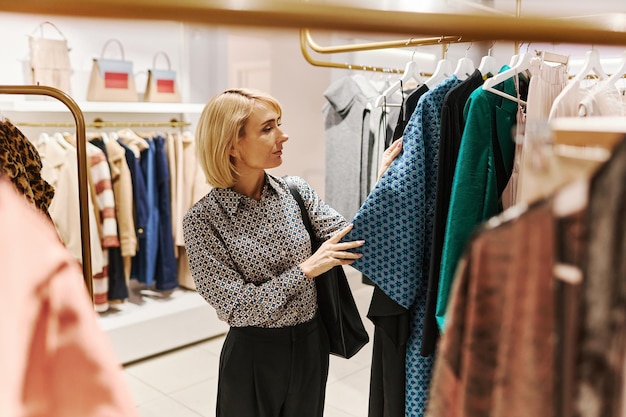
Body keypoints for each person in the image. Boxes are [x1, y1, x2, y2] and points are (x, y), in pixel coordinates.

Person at [182, 88, 402, 417]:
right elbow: (238, 308)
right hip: (254, 355)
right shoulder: (203, 221)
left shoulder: (294, 190)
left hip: (311, 343)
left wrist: (385, 182)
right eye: (268, 128)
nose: (284, 135)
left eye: (278, 124)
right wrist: (306, 270)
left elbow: (353, 241)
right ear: (231, 144)